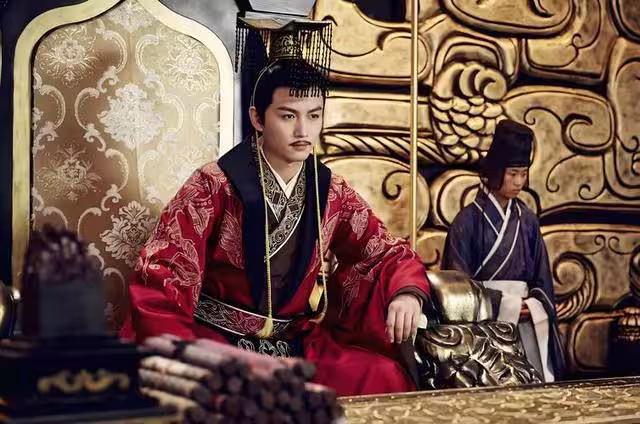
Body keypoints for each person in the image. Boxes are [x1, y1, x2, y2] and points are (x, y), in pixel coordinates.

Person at [120, 17, 430, 396]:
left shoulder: (331, 191)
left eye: (313, 115)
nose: (303, 131)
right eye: (287, 116)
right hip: (218, 340)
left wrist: (406, 293)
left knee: (382, 375)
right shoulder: (213, 185)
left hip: (294, 344)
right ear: (257, 118)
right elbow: (164, 273)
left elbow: (382, 251)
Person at [441, 119, 565, 382]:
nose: (519, 181)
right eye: (512, 173)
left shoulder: (528, 220)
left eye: (524, 173)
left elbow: (542, 280)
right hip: (484, 327)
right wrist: (504, 304)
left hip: (527, 321)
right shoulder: (466, 221)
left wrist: (533, 304)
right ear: (497, 171)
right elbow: (458, 289)